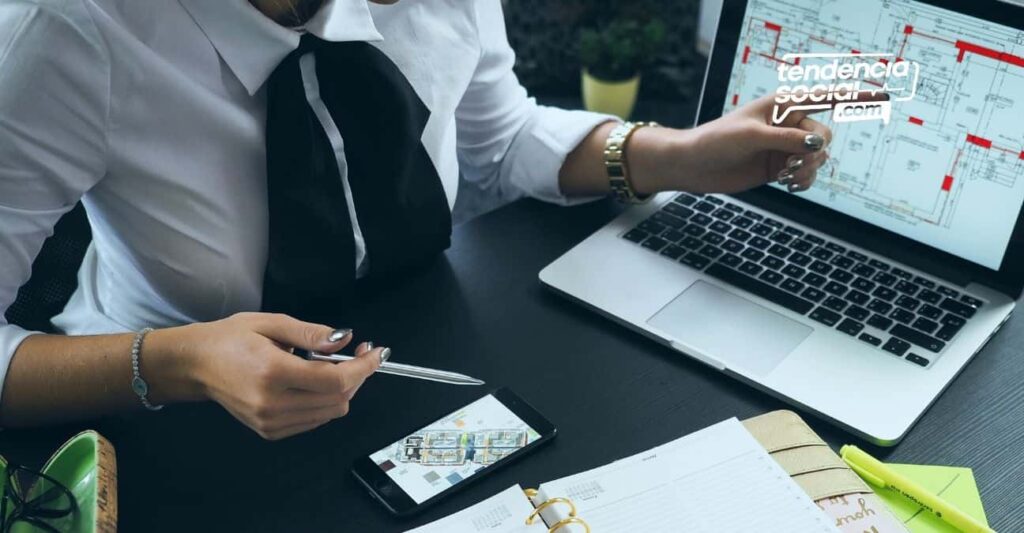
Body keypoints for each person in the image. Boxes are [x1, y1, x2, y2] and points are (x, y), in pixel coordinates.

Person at [0, 0, 837, 440]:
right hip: (174, 421)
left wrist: (672, 155)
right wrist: (180, 360)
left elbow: (497, 132)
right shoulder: (61, 31)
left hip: (420, 348)